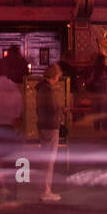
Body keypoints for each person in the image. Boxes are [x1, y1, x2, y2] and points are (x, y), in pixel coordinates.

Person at [36, 64, 65, 202]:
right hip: (51, 126)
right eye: (58, 75)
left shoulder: (40, 88)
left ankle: (44, 188)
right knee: (49, 160)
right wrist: (62, 109)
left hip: (43, 125)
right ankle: (46, 190)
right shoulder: (48, 90)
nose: (59, 78)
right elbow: (53, 109)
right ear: (54, 75)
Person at [88, 54, 107, 134]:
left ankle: (96, 126)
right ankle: (105, 126)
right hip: (105, 92)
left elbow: (90, 80)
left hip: (96, 93)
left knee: (96, 110)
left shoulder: (93, 69)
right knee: (105, 110)